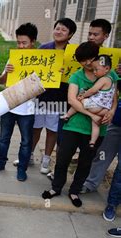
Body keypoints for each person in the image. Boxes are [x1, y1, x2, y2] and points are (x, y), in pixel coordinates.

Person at [42, 42, 119, 207]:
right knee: (63, 159)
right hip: (74, 125)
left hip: (97, 129)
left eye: (89, 59)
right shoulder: (77, 76)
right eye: (82, 61)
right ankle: (56, 188)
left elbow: (114, 96)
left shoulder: (109, 74)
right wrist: (91, 114)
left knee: (86, 162)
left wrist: (112, 111)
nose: (87, 64)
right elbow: (72, 100)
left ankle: (74, 191)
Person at [0, 23, 38, 182]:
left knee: (26, 141)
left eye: (24, 43)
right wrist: (6, 73)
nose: (20, 46)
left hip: (28, 109)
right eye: (18, 42)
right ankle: (0, 163)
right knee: (3, 138)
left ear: (33, 42)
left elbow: (47, 84)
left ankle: (22, 168)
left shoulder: (41, 60)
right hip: (9, 105)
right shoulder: (13, 57)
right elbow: (2, 81)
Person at [27, 18, 77, 175]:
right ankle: (28, 155)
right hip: (41, 95)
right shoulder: (44, 48)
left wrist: (66, 73)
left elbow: (76, 76)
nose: (59, 32)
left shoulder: (73, 54)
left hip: (60, 97)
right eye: (57, 28)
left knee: (52, 130)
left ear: (71, 35)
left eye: (64, 30)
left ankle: (46, 159)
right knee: (35, 128)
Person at [81, 19, 121, 194]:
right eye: (89, 33)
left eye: (95, 34)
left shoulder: (110, 69)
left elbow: (115, 91)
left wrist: (112, 110)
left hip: (106, 113)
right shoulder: (83, 59)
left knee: (98, 149)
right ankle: (87, 182)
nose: (91, 37)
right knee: (99, 152)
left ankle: (94, 186)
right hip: (91, 114)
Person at [61, 55, 116, 147]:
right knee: (95, 124)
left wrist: (83, 96)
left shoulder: (103, 79)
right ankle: (92, 141)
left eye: (96, 70)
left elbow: (93, 90)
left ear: (106, 69)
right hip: (104, 108)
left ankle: (67, 115)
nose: (94, 72)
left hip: (95, 105)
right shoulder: (111, 80)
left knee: (77, 102)